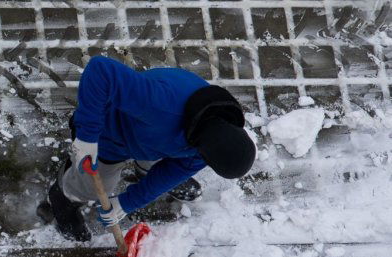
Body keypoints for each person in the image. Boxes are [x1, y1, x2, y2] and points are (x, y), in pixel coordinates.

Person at [41, 56, 256, 241]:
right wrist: (87, 136)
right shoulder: (160, 104)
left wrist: (127, 203)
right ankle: (64, 196)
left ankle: (144, 171)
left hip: (155, 141)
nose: (202, 160)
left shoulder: (214, 136)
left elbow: (177, 169)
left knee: (160, 172)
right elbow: (100, 70)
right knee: (96, 187)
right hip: (109, 135)